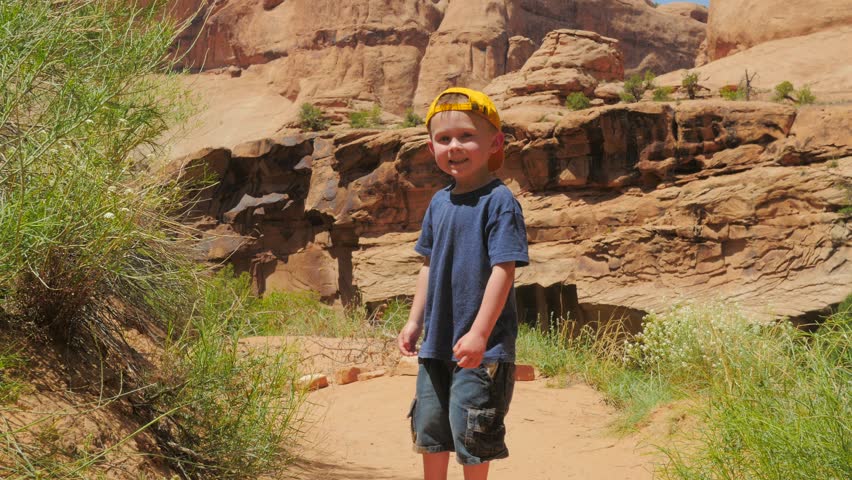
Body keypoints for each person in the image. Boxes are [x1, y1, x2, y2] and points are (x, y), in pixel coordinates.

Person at [397, 87, 529, 480]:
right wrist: (414, 322)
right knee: (430, 430)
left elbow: (504, 269)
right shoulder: (439, 202)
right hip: (437, 344)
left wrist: (479, 333)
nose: (454, 146)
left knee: (474, 435)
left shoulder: (499, 201)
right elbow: (428, 265)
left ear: (495, 143)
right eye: (444, 139)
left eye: (466, 136)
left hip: (481, 349)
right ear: (430, 146)